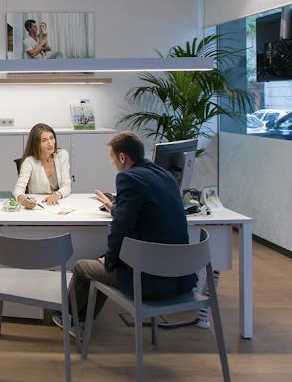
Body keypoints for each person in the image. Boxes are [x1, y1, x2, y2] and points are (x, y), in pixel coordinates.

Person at [56, 131, 197, 336]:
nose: (112, 163)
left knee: (82, 268)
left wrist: (110, 261)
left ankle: (69, 318)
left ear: (122, 157)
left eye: (111, 158)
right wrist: (114, 207)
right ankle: (82, 321)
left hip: (148, 279)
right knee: (102, 261)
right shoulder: (166, 176)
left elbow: (120, 230)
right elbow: (144, 211)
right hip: (178, 276)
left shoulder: (128, 177)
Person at [13, 123, 71, 208]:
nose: (50, 144)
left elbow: (67, 185)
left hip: (58, 203)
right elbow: (18, 189)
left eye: (51, 138)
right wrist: (23, 200)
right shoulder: (29, 161)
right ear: (36, 144)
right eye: (44, 140)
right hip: (39, 204)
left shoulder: (62, 155)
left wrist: (56, 194)